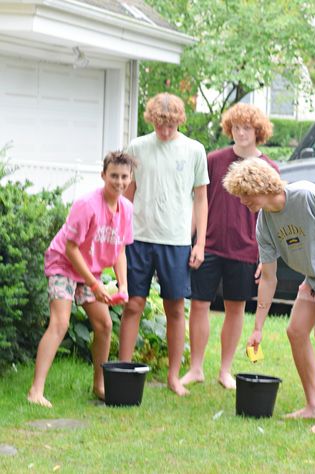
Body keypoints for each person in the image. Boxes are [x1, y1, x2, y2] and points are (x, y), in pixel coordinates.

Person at [222, 158, 315, 434]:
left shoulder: (306, 195)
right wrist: (258, 327)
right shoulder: (264, 223)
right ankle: (314, 405)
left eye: (245, 194)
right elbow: (268, 278)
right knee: (295, 331)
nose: (242, 201)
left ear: (262, 185)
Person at [180, 104, 278, 390]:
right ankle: (195, 368)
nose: (241, 132)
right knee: (199, 305)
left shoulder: (268, 168)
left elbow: (272, 215)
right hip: (209, 246)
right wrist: (192, 242)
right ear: (229, 129)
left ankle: (225, 371)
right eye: (236, 127)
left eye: (247, 128)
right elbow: (200, 202)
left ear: (258, 131)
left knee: (235, 309)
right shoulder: (213, 160)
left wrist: (265, 256)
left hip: (246, 249)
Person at [27, 151, 136, 408]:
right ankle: (36, 390)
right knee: (60, 322)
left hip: (90, 271)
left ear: (130, 179)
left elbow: (120, 249)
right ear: (103, 175)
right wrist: (95, 285)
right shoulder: (87, 204)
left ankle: (99, 385)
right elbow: (71, 249)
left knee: (104, 325)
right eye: (113, 176)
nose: (118, 182)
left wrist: (123, 285)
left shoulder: (127, 209)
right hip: (63, 264)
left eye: (123, 177)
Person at [118, 92, 209, 396]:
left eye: (170, 126)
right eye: (160, 125)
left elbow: (201, 199)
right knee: (133, 304)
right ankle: (123, 371)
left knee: (175, 307)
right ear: (152, 120)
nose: (165, 131)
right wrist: (120, 236)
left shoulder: (194, 150)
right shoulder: (137, 147)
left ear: (179, 122)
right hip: (139, 238)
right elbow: (127, 196)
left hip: (176, 240)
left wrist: (200, 243)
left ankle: (173, 376)